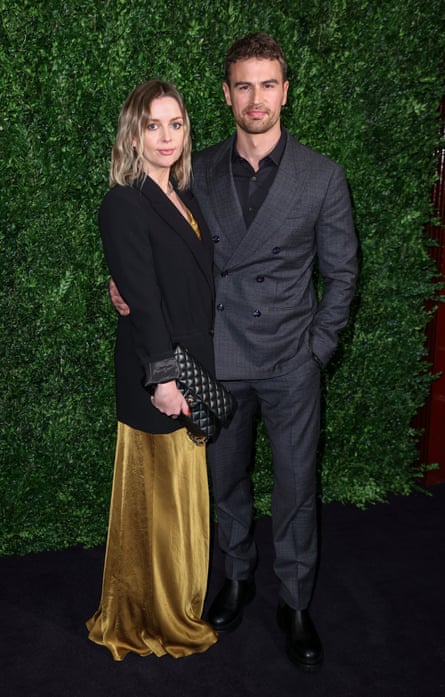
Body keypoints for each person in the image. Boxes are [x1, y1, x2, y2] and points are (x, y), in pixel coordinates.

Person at [110, 33, 358, 671]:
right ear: (226, 95)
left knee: (298, 487)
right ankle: (239, 578)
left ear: (285, 92)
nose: (256, 98)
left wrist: (317, 352)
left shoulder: (322, 176)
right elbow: (169, 252)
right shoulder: (198, 171)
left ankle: (296, 603)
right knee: (226, 484)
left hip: (290, 363)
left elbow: (343, 276)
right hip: (219, 359)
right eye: (243, 85)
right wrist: (126, 292)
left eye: (268, 84)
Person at [86, 80, 218, 661]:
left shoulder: (182, 195)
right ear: (133, 133)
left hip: (193, 365)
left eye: (176, 124)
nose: (166, 137)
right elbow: (140, 294)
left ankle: (178, 604)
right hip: (160, 376)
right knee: (159, 505)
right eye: (153, 125)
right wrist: (163, 380)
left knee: (181, 499)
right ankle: (154, 616)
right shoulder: (124, 200)